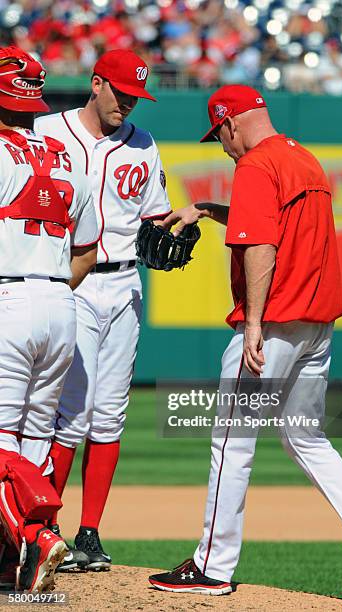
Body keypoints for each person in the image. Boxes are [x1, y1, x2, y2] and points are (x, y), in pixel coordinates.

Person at [148, 84, 342, 603]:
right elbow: (274, 225)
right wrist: (207, 208)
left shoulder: (255, 167)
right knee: (306, 437)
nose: (220, 146)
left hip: (275, 327)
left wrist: (255, 324)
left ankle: (211, 567)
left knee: (231, 442)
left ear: (231, 123)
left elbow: (262, 245)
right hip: (317, 327)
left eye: (218, 134)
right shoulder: (302, 159)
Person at [29, 49, 171, 571]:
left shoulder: (144, 145)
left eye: (137, 96)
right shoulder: (49, 131)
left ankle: (89, 533)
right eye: (121, 93)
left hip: (125, 284)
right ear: (95, 84)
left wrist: (175, 229)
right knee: (70, 415)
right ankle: (42, 528)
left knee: (110, 414)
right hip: (70, 282)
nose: (129, 104)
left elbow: (155, 215)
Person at [0, 46, 98, 592]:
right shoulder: (68, 159)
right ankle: (17, 558)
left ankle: (36, 539)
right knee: (35, 439)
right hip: (61, 304)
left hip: (9, 300)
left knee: (1, 441)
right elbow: (86, 250)